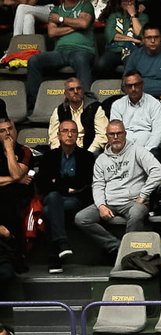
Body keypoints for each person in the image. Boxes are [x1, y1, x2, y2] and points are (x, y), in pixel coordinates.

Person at [36, 117, 94, 275]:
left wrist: (58, 183)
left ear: (78, 135)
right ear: (58, 134)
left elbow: (85, 184)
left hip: (75, 201)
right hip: (53, 197)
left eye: (73, 131)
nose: (69, 134)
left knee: (49, 211)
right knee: (53, 197)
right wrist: (66, 187)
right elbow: (43, 184)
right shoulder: (49, 156)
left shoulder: (87, 157)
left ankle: (55, 256)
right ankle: (62, 243)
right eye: (65, 131)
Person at [23, 0, 96, 117]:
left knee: (81, 60)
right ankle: (34, 104)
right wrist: (75, 26)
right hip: (60, 51)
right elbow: (52, 32)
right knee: (34, 61)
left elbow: (83, 23)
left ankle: (88, 105)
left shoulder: (85, 5)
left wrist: (61, 20)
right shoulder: (56, 10)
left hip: (82, 50)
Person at [109, 72, 161, 156]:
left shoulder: (155, 104)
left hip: (148, 151)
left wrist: (144, 153)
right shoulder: (117, 105)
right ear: (125, 88)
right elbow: (116, 133)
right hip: (123, 151)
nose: (133, 89)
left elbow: (158, 133)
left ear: (142, 85)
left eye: (136, 85)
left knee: (156, 153)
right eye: (129, 86)